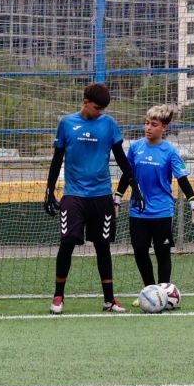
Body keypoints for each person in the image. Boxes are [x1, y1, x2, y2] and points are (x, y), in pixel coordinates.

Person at [43, 82, 135, 313]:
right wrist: (49, 189)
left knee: (103, 246)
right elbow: (56, 160)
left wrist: (137, 187)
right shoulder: (66, 123)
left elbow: (122, 160)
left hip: (101, 195)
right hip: (74, 194)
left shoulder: (109, 124)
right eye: (96, 108)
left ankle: (109, 300)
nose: (100, 112)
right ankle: (58, 297)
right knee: (67, 242)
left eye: (103, 109)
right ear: (85, 102)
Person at [117, 103, 194, 291]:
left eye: (154, 124)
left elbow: (182, 179)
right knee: (140, 251)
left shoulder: (170, 151)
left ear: (164, 127)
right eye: (147, 123)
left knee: (162, 253)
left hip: (162, 210)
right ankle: (150, 291)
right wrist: (117, 197)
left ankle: (164, 292)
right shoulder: (135, 148)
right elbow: (128, 174)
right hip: (137, 210)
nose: (148, 128)